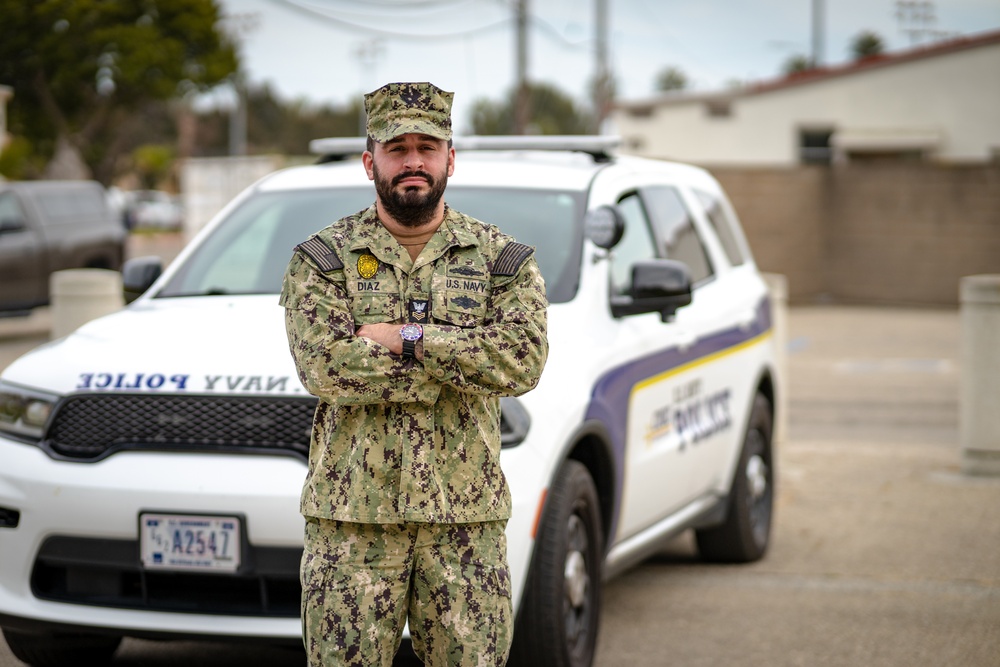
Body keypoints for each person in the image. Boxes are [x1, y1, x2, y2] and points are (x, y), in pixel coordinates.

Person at [279, 82, 549, 667]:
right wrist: (461, 361)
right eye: (396, 148)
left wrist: (409, 338)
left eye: (428, 146)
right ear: (368, 160)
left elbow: (522, 361)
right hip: (352, 524)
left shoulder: (503, 261)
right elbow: (324, 366)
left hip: (465, 523)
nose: (413, 162)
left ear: (450, 158)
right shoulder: (322, 259)